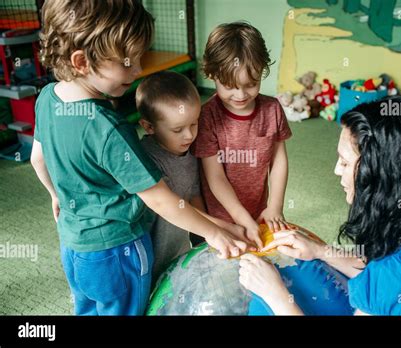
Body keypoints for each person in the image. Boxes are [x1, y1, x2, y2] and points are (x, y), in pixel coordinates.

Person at [30, 0, 247, 316]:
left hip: (74, 246)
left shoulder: (47, 98)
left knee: (89, 309)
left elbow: (38, 158)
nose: (138, 70)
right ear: (81, 61)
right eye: (127, 62)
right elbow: (160, 200)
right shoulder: (111, 129)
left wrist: (56, 195)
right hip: (118, 250)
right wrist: (213, 232)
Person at [239, 95, 401, 315]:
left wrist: (275, 294)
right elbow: (393, 274)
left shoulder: (393, 277)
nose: (336, 170)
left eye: (344, 162)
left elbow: (393, 279)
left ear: (377, 176)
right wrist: (321, 251)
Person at [137, 71, 254, 282]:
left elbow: (193, 197)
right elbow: (173, 207)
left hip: (177, 251)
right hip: (147, 259)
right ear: (149, 126)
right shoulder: (146, 159)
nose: (189, 135)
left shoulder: (190, 151)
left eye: (194, 124)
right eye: (178, 129)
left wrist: (204, 242)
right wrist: (221, 228)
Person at [192, 22, 293, 250]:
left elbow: (279, 161)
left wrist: (275, 205)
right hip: (222, 219)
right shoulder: (207, 117)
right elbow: (215, 176)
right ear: (211, 73)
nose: (240, 94)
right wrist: (242, 219)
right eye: (230, 86)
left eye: (251, 84)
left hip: (261, 210)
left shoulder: (272, 109)